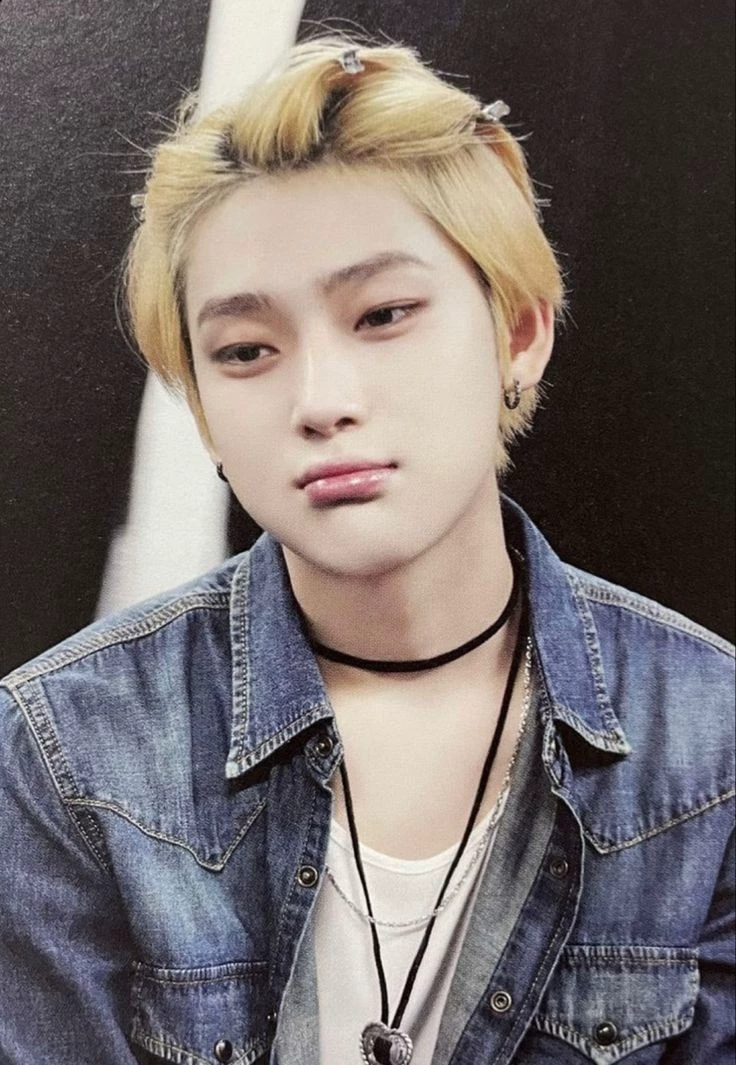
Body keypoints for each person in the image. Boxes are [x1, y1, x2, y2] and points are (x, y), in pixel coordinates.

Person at [0, 34, 733, 1065]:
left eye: (383, 315)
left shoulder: (711, 740)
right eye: (245, 350)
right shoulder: (65, 750)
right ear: (201, 404)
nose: (321, 401)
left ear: (519, 333)